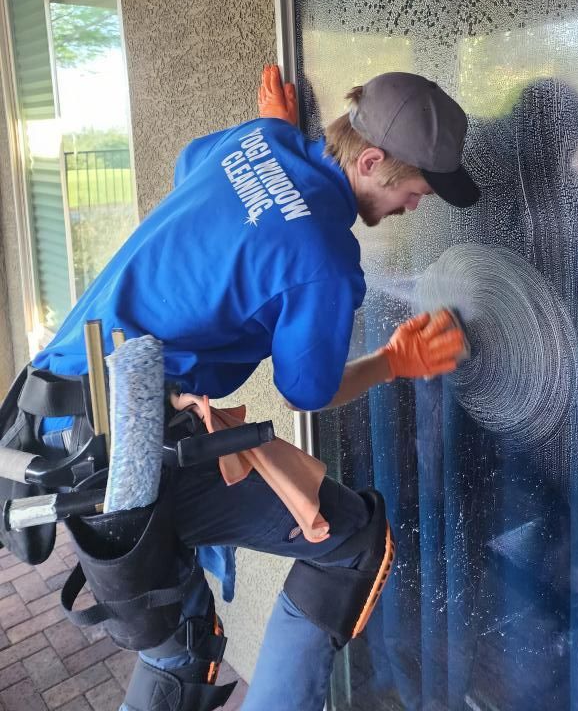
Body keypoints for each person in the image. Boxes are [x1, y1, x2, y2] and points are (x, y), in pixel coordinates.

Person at [28, 68, 481, 711]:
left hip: (50, 408)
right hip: (120, 451)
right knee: (348, 540)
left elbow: (194, 166)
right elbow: (307, 392)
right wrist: (394, 361)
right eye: (418, 187)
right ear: (373, 161)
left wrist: (271, 129)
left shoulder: (253, 142)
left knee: (180, 639)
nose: (419, 203)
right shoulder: (323, 260)